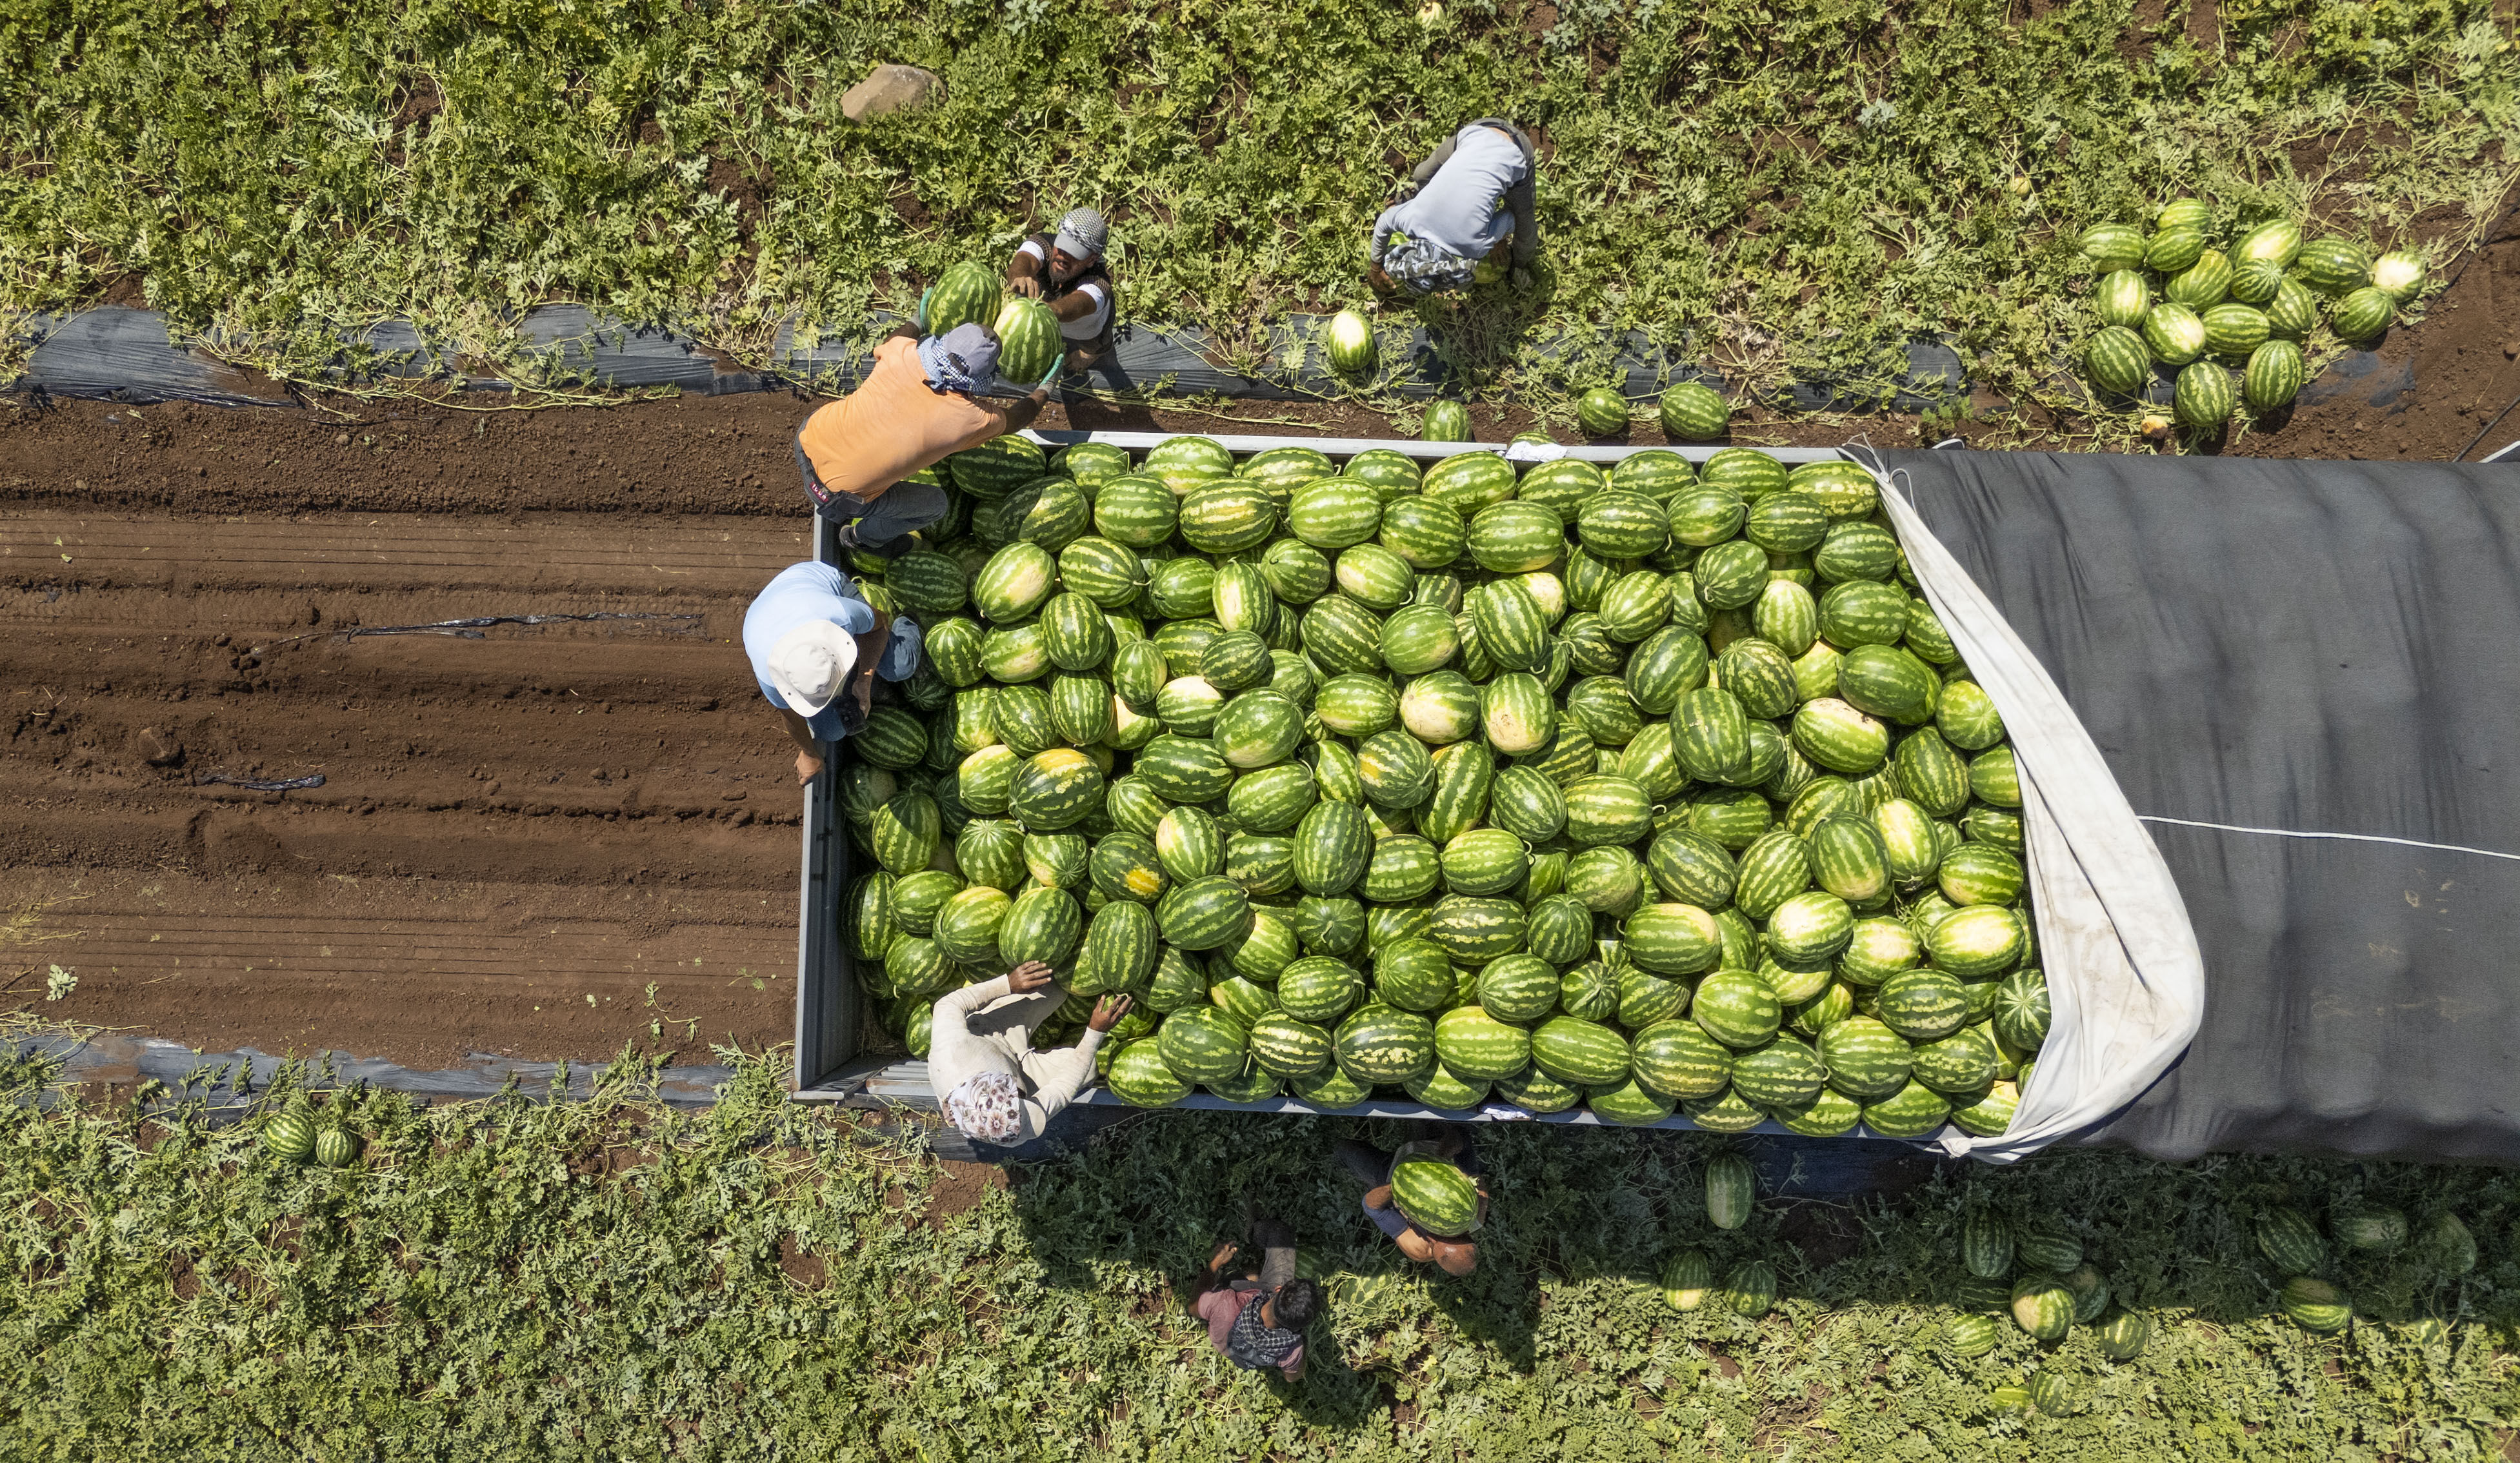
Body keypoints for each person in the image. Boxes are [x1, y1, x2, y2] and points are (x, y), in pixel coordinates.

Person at [791, 319, 1058, 555]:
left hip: (807, 436)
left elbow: (899, 336)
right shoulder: (973, 418)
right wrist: (1044, 390)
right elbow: (1015, 420)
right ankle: (862, 539)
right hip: (834, 498)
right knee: (936, 506)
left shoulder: (900, 354)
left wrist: (920, 317)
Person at [743, 561, 922, 784]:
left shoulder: (841, 616)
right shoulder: (771, 677)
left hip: (821, 583)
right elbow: (790, 716)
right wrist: (809, 754)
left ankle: (910, 621)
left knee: (900, 666)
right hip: (764, 614)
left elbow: (880, 623)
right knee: (831, 731)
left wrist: (864, 679)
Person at [928, 959, 1133, 1153]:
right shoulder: (1014, 1129)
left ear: (1000, 1085)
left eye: (1020, 1100)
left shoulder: (952, 1053)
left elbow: (948, 1004)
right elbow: (1062, 1092)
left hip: (990, 1030)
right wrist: (1095, 1032)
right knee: (1089, 1071)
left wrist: (1008, 984)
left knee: (1054, 984)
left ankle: (1032, 1045)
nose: (1028, 1105)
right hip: (1019, 1072)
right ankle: (1039, 1055)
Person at [1366, 118, 1539, 299]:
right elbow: (1383, 222)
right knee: (1421, 175)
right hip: (1478, 130)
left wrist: (1499, 238)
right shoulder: (1411, 219)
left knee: (1526, 230)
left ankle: (1517, 268)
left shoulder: (1475, 248)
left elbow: (1511, 218)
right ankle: (1417, 192)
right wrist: (1375, 267)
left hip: (1517, 150)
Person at [1335, 1122, 1488, 1276]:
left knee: (1344, 1149)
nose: (1430, 1239)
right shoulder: (1474, 1210)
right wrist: (1435, 1161)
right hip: (1431, 1147)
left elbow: (1372, 1208)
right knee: (1426, 1115)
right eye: (1441, 1236)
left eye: (1432, 1245)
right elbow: (1463, 1138)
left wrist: (1400, 1184)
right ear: (1466, 1233)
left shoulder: (1418, 1248)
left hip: (1390, 1176)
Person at [1195, 1216, 1318, 1381]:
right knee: (1253, 1274)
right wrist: (1302, 1342)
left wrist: (1215, 1263)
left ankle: (1252, 1247)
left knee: (1279, 1233)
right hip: (1239, 1356)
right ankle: (1253, 1274)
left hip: (1227, 1330)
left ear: (1278, 1289)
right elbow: (1292, 1378)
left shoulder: (1225, 1304)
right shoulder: (1291, 1349)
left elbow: (1193, 1306)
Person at [1006, 208, 1119, 372]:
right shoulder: (1045, 243)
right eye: (1062, 246)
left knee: (1095, 344)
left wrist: (1052, 311)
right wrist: (1020, 275)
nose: (1063, 257)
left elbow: (1080, 303)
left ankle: (1088, 355)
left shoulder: (1099, 282)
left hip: (1087, 330)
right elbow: (1025, 258)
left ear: (1091, 259)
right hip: (1043, 316)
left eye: (1075, 253)